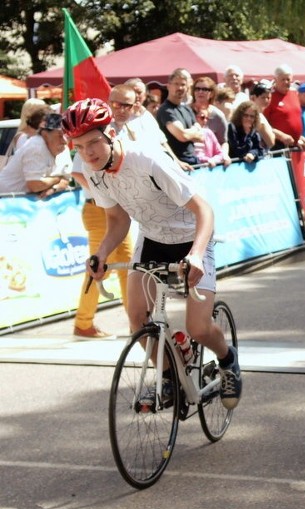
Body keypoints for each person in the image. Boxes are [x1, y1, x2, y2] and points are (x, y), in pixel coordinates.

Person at [63, 98, 243, 408]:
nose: (88, 152)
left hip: (191, 236)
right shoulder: (93, 170)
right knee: (137, 318)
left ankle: (228, 360)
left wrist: (197, 254)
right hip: (153, 239)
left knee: (198, 328)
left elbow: (204, 210)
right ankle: (171, 377)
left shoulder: (148, 160)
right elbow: (118, 219)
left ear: (111, 134)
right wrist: (103, 252)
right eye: (79, 146)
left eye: (93, 142)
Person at [70, 85, 135, 339]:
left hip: (115, 210)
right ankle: (83, 322)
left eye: (127, 105)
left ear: (134, 106)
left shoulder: (125, 131)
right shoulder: (92, 133)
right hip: (99, 211)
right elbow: (77, 171)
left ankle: (137, 321)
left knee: (128, 267)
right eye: (116, 104)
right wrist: (104, 193)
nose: (121, 109)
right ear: (109, 103)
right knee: (100, 265)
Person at [0, 112, 70, 196]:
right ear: (45, 134)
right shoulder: (36, 146)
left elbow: (66, 180)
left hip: (22, 201)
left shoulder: (61, 149)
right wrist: (58, 179)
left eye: (67, 136)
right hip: (7, 201)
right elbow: (35, 185)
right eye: (60, 135)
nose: (65, 141)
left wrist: (54, 188)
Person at [156, 68, 204, 166]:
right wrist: (194, 130)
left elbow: (201, 136)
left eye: (183, 84)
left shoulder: (187, 109)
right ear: (168, 86)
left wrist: (188, 133)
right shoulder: (166, 110)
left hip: (193, 160)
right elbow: (182, 136)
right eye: (176, 84)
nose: (180, 88)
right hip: (175, 163)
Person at [264, 64, 302, 149]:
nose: (286, 82)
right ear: (275, 80)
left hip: (295, 146)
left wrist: (299, 138)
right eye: (283, 79)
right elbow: (263, 125)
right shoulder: (269, 97)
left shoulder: (294, 94)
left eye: (288, 79)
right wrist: (280, 135)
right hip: (278, 146)